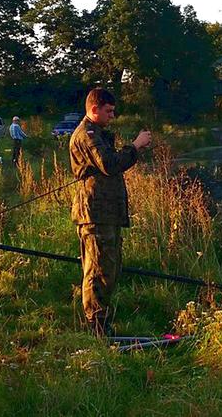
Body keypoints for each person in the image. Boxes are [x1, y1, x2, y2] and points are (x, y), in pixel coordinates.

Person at [69, 88, 152, 336]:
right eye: (109, 111)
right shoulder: (87, 134)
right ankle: (97, 326)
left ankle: (102, 323)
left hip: (106, 213)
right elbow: (110, 164)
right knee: (97, 271)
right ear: (94, 109)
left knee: (110, 269)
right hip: (94, 214)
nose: (112, 116)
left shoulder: (99, 133)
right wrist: (135, 146)